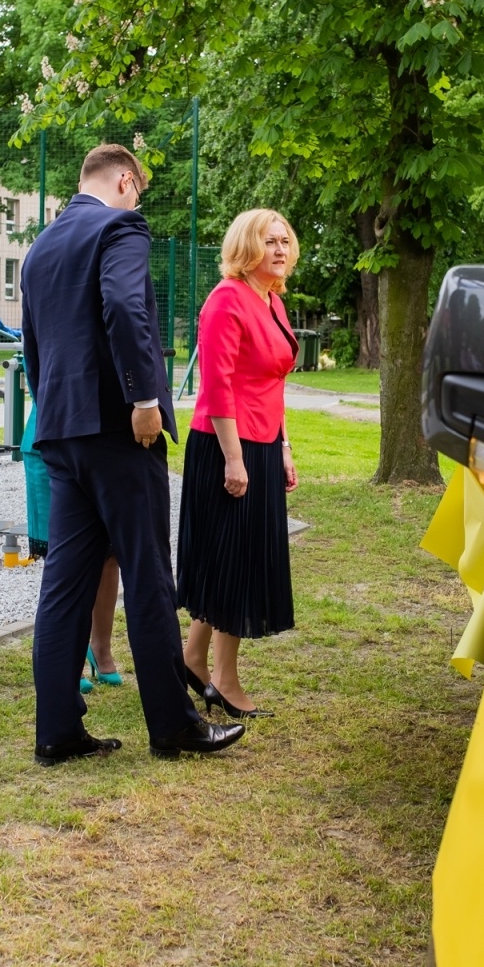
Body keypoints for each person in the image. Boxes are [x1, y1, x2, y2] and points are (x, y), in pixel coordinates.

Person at [21, 143, 244, 765]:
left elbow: (35, 344)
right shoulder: (121, 224)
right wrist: (143, 397)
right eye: (138, 189)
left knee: (64, 583)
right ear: (125, 180)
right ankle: (173, 725)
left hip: (61, 429)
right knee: (147, 573)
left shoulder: (40, 246)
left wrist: (56, 413)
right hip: (123, 429)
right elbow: (124, 308)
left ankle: (57, 730)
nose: (138, 199)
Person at [178, 209, 301, 718]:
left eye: (285, 240)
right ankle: (223, 678)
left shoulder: (272, 300)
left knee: (237, 559)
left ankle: (191, 657)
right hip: (227, 445)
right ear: (246, 247)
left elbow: (274, 382)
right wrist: (235, 458)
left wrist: (284, 447)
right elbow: (218, 385)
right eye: (268, 241)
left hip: (262, 442)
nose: (279, 249)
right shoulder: (227, 300)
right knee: (231, 563)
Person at [20, 402, 125, 695]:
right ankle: (68, 658)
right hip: (51, 441)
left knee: (109, 554)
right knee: (64, 558)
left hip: (102, 443)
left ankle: (100, 648)